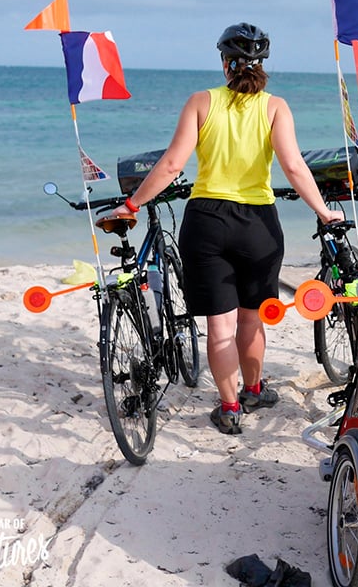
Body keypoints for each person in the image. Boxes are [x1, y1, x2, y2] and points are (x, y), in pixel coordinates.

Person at [109, 23, 343, 435]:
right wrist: (325, 212)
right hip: (259, 226)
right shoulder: (276, 107)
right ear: (262, 66)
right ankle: (253, 388)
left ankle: (230, 406)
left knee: (220, 327)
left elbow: (171, 166)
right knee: (251, 321)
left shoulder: (201, 102)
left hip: (207, 224)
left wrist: (131, 204)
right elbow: (293, 167)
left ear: (224, 64)